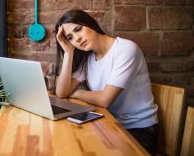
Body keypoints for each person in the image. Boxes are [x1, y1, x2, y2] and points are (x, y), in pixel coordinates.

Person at [54, 10, 158, 154]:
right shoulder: (89, 58)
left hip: (139, 130)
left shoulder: (125, 49)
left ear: (90, 23)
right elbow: (61, 92)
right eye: (70, 37)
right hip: (109, 125)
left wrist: (79, 93)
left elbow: (105, 99)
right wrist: (68, 52)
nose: (77, 38)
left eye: (78, 29)